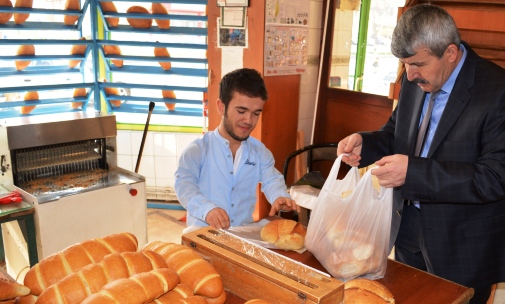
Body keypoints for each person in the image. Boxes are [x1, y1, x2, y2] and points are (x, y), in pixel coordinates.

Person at [337, 4, 505, 304]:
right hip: (407, 230)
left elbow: (493, 177)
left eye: (418, 64)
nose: (410, 75)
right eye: (404, 64)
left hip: (462, 243)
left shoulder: (497, 90)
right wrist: (366, 143)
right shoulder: (415, 77)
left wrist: (412, 173)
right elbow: (396, 134)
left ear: (450, 53)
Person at [175, 68, 300, 229]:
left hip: (242, 237)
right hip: (202, 238)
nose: (248, 120)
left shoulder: (260, 152)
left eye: (256, 113)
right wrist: (207, 209)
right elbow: (184, 185)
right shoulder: (198, 150)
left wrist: (279, 196)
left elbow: (272, 180)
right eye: (241, 111)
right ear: (221, 107)